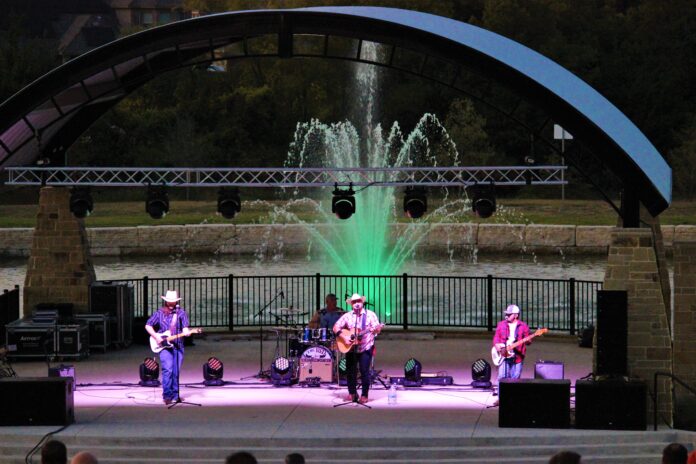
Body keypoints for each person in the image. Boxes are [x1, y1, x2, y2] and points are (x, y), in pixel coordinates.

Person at [145, 290, 193, 405]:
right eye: (169, 302)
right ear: (166, 301)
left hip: (178, 345)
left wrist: (187, 332)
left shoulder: (181, 313)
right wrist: (156, 336)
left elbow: (185, 327)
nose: (171, 304)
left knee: (176, 372)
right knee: (168, 370)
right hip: (164, 346)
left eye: (173, 302)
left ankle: (175, 395)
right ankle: (167, 395)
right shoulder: (159, 313)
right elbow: (148, 325)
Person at [333, 293, 382, 404]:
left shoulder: (370, 315)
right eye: (354, 302)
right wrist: (344, 337)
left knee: (365, 371)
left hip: (366, 347)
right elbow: (336, 327)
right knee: (350, 371)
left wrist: (377, 329)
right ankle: (352, 393)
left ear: (362, 302)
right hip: (351, 348)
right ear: (351, 304)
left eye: (358, 301)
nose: (356, 304)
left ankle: (364, 395)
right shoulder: (348, 316)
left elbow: (376, 330)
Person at [492, 304, 531, 381]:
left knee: (515, 378)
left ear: (516, 315)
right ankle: (500, 391)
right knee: (502, 376)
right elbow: (496, 337)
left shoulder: (523, 326)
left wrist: (527, 341)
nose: (506, 316)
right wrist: (496, 344)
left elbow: (529, 341)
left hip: (517, 356)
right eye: (506, 314)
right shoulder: (501, 324)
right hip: (504, 354)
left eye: (509, 314)